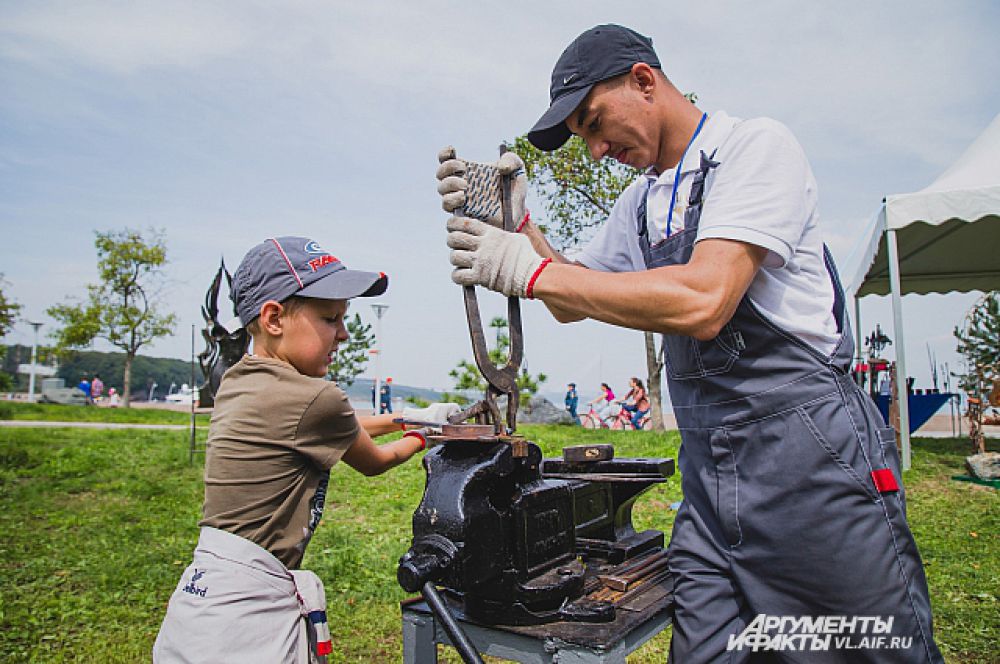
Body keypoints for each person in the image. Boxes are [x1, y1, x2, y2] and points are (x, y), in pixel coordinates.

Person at [436, 24, 941, 662]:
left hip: (809, 468)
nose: (594, 150)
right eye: (583, 138)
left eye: (594, 123)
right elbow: (571, 297)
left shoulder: (754, 150)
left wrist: (530, 271)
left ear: (644, 82)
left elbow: (706, 299)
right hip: (710, 482)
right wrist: (517, 224)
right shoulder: (642, 203)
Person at [154, 236, 459, 662]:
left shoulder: (242, 380)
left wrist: (409, 417)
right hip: (248, 614)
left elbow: (336, 427)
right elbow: (376, 460)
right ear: (274, 317)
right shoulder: (318, 398)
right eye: (330, 318)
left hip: (203, 596)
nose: (344, 333)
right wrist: (428, 434)